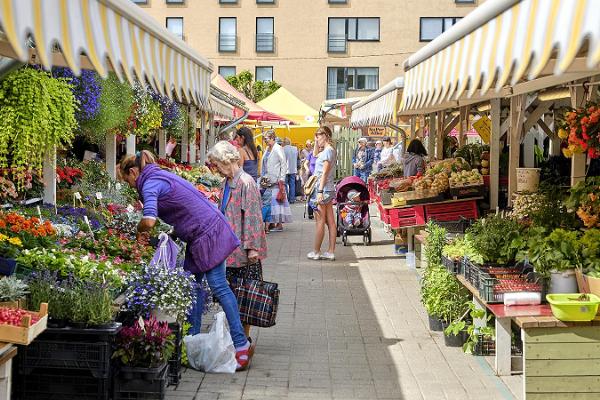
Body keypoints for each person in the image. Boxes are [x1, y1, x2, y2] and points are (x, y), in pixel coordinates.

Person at [119, 150, 254, 371]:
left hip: (207, 234)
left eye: (128, 181)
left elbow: (150, 220)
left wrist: (139, 231)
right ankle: (191, 340)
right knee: (191, 285)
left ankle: (241, 347)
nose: (131, 186)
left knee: (219, 286)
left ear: (133, 172)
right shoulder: (161, 175)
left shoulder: (150, 183)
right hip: (202, 232)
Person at [208, 141, 267, 338]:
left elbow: (253, 216)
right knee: (232, 295)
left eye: (217, 164)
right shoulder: (227, 182)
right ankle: (235, 335)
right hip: (229, 250)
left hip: (243, 251)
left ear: (226, 160)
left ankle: (244, 338)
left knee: (246, 297)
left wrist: (252, 248)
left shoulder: (246, 182)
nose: (216, 169)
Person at [307, 126, 337, 261]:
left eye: (318, 136)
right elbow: (314, 155)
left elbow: (324, 172)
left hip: (323, 189)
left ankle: (316, 251)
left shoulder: (327, 152)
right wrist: (315, 142)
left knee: (319, 221)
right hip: (328, 189)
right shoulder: (329, 150)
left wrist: (319, 190)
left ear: (325, 136)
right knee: (330, 221)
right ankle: (330, 251)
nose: (317, 138)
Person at [260, 130, 292, 232]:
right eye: (264, 139)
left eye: (267, 139)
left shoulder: (278, 148)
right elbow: (265, 162)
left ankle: (278, 224)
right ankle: (271, 223)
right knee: (269, 200)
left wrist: (282, 178)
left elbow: (283, 163)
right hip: (266, 178)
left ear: (272, 138)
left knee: (277, 200)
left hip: (276, 178)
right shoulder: (267, 148)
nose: (265, 141)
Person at [283, 138, 299, 204]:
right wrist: (298, 168)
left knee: (285, 184)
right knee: (292, 184)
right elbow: (298, 159)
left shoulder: (282, 149)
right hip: (293, 169)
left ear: (284, 142)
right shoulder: (295, 149)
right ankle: (292, 199)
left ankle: (286, 199)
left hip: (285, 169)